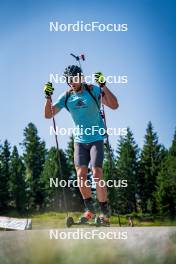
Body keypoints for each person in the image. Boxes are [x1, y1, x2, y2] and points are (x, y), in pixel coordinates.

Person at [44, 65, 119, 224]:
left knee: (97, 173)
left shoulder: (93, 90)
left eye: (74, 78)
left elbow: (114, 105)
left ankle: (104, 212)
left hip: (96, 138)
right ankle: (90, 210)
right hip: (79, 141)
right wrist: (48, 97)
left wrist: (103, 85)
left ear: (81, 77)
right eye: (68, 79)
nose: (71, 81)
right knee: (80, 175)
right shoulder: (66, 97)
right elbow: (48, 114)